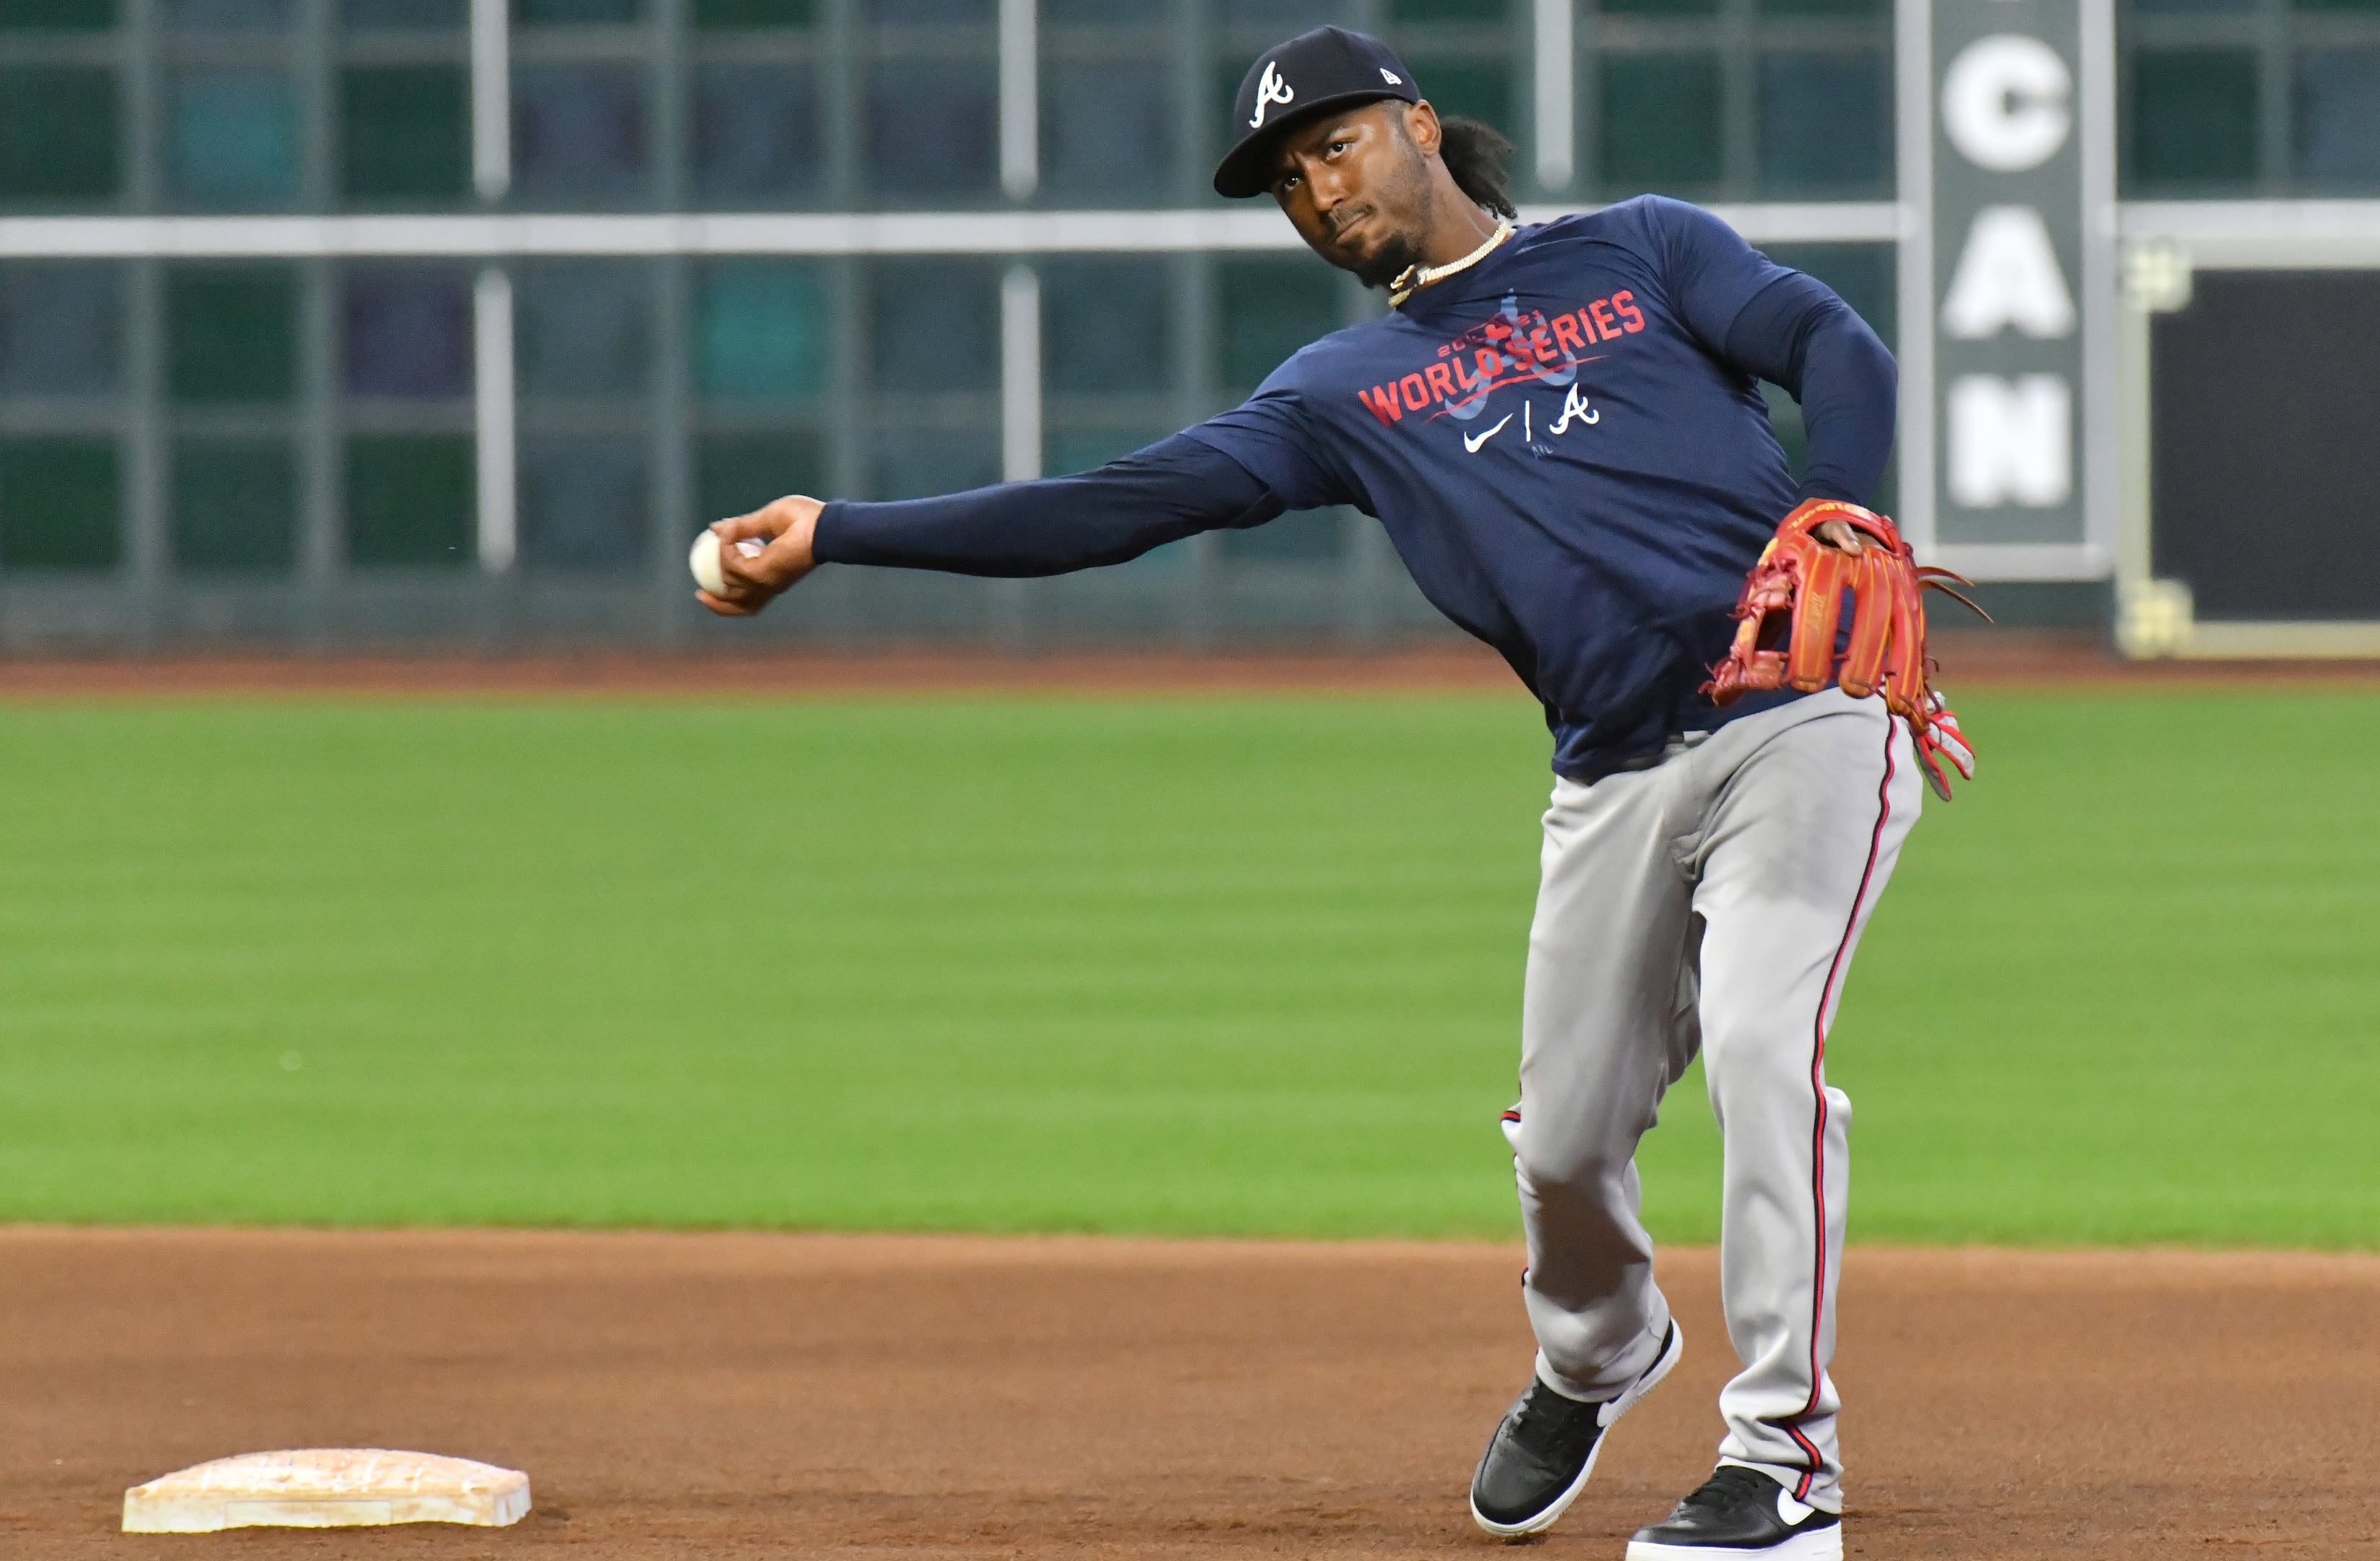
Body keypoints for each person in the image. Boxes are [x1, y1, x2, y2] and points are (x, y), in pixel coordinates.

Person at [702, 26, 1937, 1561]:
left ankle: (1783, 1469)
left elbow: (1839, 349)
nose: (1317, 187)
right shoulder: (1339, 393)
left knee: (1763, 1048)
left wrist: (1849, 516)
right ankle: (1602, 1350)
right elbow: (1110, 511)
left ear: (1421, 125)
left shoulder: (1644, 249)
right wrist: (840, 531)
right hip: (1611, 767)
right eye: (1289, 179)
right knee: (1561, 1142)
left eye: (1335, 144)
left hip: (1799, 712)